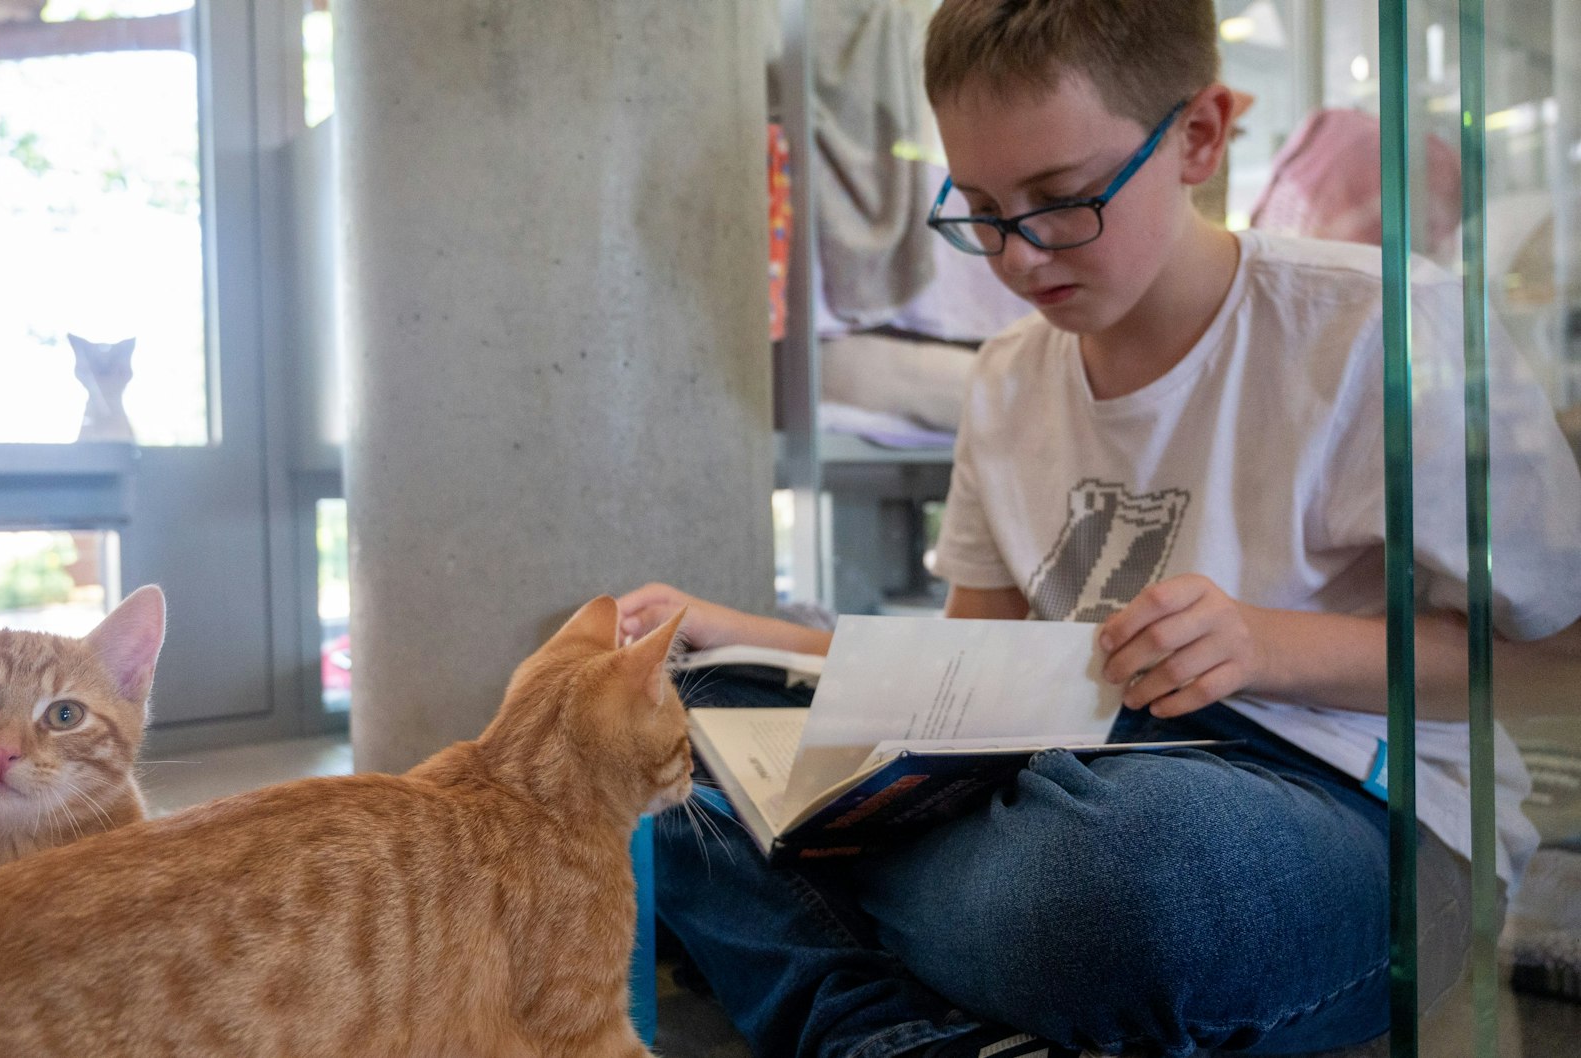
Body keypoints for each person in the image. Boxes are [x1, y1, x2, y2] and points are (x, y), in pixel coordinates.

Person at [617, 2, 1581, 1056]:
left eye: (1063, 201)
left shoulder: (1379, 323)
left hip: (1345, 815)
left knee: (1136, 877)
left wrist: (1261, 644)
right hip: (1060, 770)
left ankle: (834, 970)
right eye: (980, 209)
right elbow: (958, 661)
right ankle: (895, 1026)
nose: (1019, 258)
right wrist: (740, 636)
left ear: (1198, 137)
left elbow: (1556, 662)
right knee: (667, 720)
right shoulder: (1006, 377)